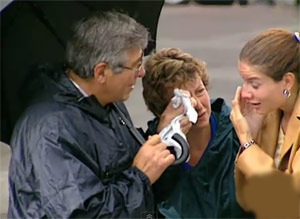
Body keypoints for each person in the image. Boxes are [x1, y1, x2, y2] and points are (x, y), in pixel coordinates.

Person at [7, 11, 177, 218]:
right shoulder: (51, 130)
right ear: (101, 72)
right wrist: (140, 177)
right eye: (136, 64)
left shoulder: (105, 100)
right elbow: (84, 213)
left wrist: (162, 134)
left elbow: (118, 158)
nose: (141, 73)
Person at [142, 48, 252, 218]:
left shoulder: (237, 133)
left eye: (200, 91)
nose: (198, 105)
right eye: (183, 100)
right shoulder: (148, 152)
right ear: (162, 109)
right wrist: (164, 139)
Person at [230, 28, 300, 218]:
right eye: (244, 82)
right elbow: (247, 200)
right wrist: (251, 133)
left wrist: (247, 141)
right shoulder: (269, 113)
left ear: (287, 82)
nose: (244, 93)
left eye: (254, 84)